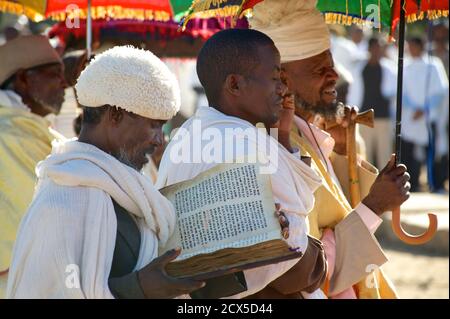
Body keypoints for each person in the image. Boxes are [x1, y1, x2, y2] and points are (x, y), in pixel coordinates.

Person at [6, 46, 206, 299]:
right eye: (154, 125)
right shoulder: (63, 198)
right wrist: (139, 287)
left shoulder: (132, 189)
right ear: (116, 114)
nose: (159, 141)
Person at [250, 0, 411, 298]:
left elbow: (341, 217)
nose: (334, 75)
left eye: (332, 64)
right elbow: (312, 266)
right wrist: (375, 206)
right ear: (282, 80)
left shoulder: (306, 130)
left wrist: (342, 150)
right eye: (319, 68)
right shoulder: (274, 142)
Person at [157, 29, 328, 299]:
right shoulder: (247, 143)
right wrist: (317, 259)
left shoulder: (185, 136)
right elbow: (295, 264)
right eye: (274, 78)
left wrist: (280, 135)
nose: (283, 90)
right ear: (235, 85)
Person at [0, 35, 67, 298]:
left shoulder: (27, 129)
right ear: (23, 79)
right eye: (55, 74)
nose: (65, 83)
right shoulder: (9, 136)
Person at [402, 36, 448, 192]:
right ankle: (411, 184)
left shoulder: (433, 65)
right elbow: (402, 92)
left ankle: (435, 183)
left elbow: (440, 90)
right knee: (408, 154)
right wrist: (413, 108)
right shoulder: (405, 66)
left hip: (429, 116)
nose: (411, 49)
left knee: (432, 152)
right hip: (411, 118)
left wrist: (425, 109)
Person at [347, 36, 397, 168]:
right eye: (374, 48)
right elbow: (353, 93)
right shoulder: (359, 69)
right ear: (369, 49)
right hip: (364, 117)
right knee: (364, 154)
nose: (377, 51)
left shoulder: (389, 69)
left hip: (383, 118)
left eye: (379, 48)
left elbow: (393, 93)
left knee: (384, 154)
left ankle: (386, 185)